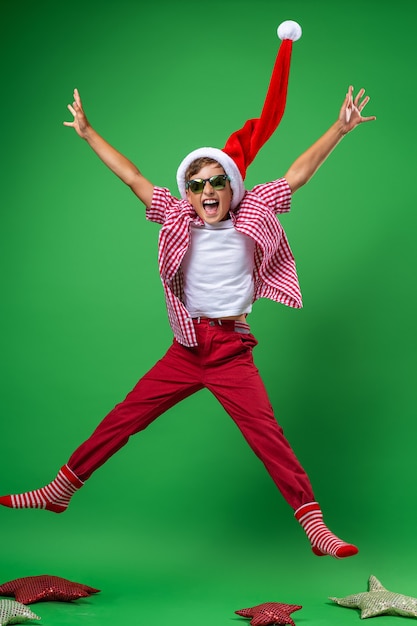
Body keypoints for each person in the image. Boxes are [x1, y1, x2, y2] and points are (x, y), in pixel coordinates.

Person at [0, 23, 375, 559]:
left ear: (231, 185)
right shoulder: (176, 218)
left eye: (214, 182)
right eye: (195, 185)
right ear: (188, 193)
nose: (205, 193)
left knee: (268, 438)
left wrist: (338, 130)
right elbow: (132, 177)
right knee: (124, 417)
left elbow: (297, 173)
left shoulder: (256, 208)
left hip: (230, 351)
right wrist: (88, 134)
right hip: (186, 346)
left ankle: (315, 526)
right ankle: (61, 490)